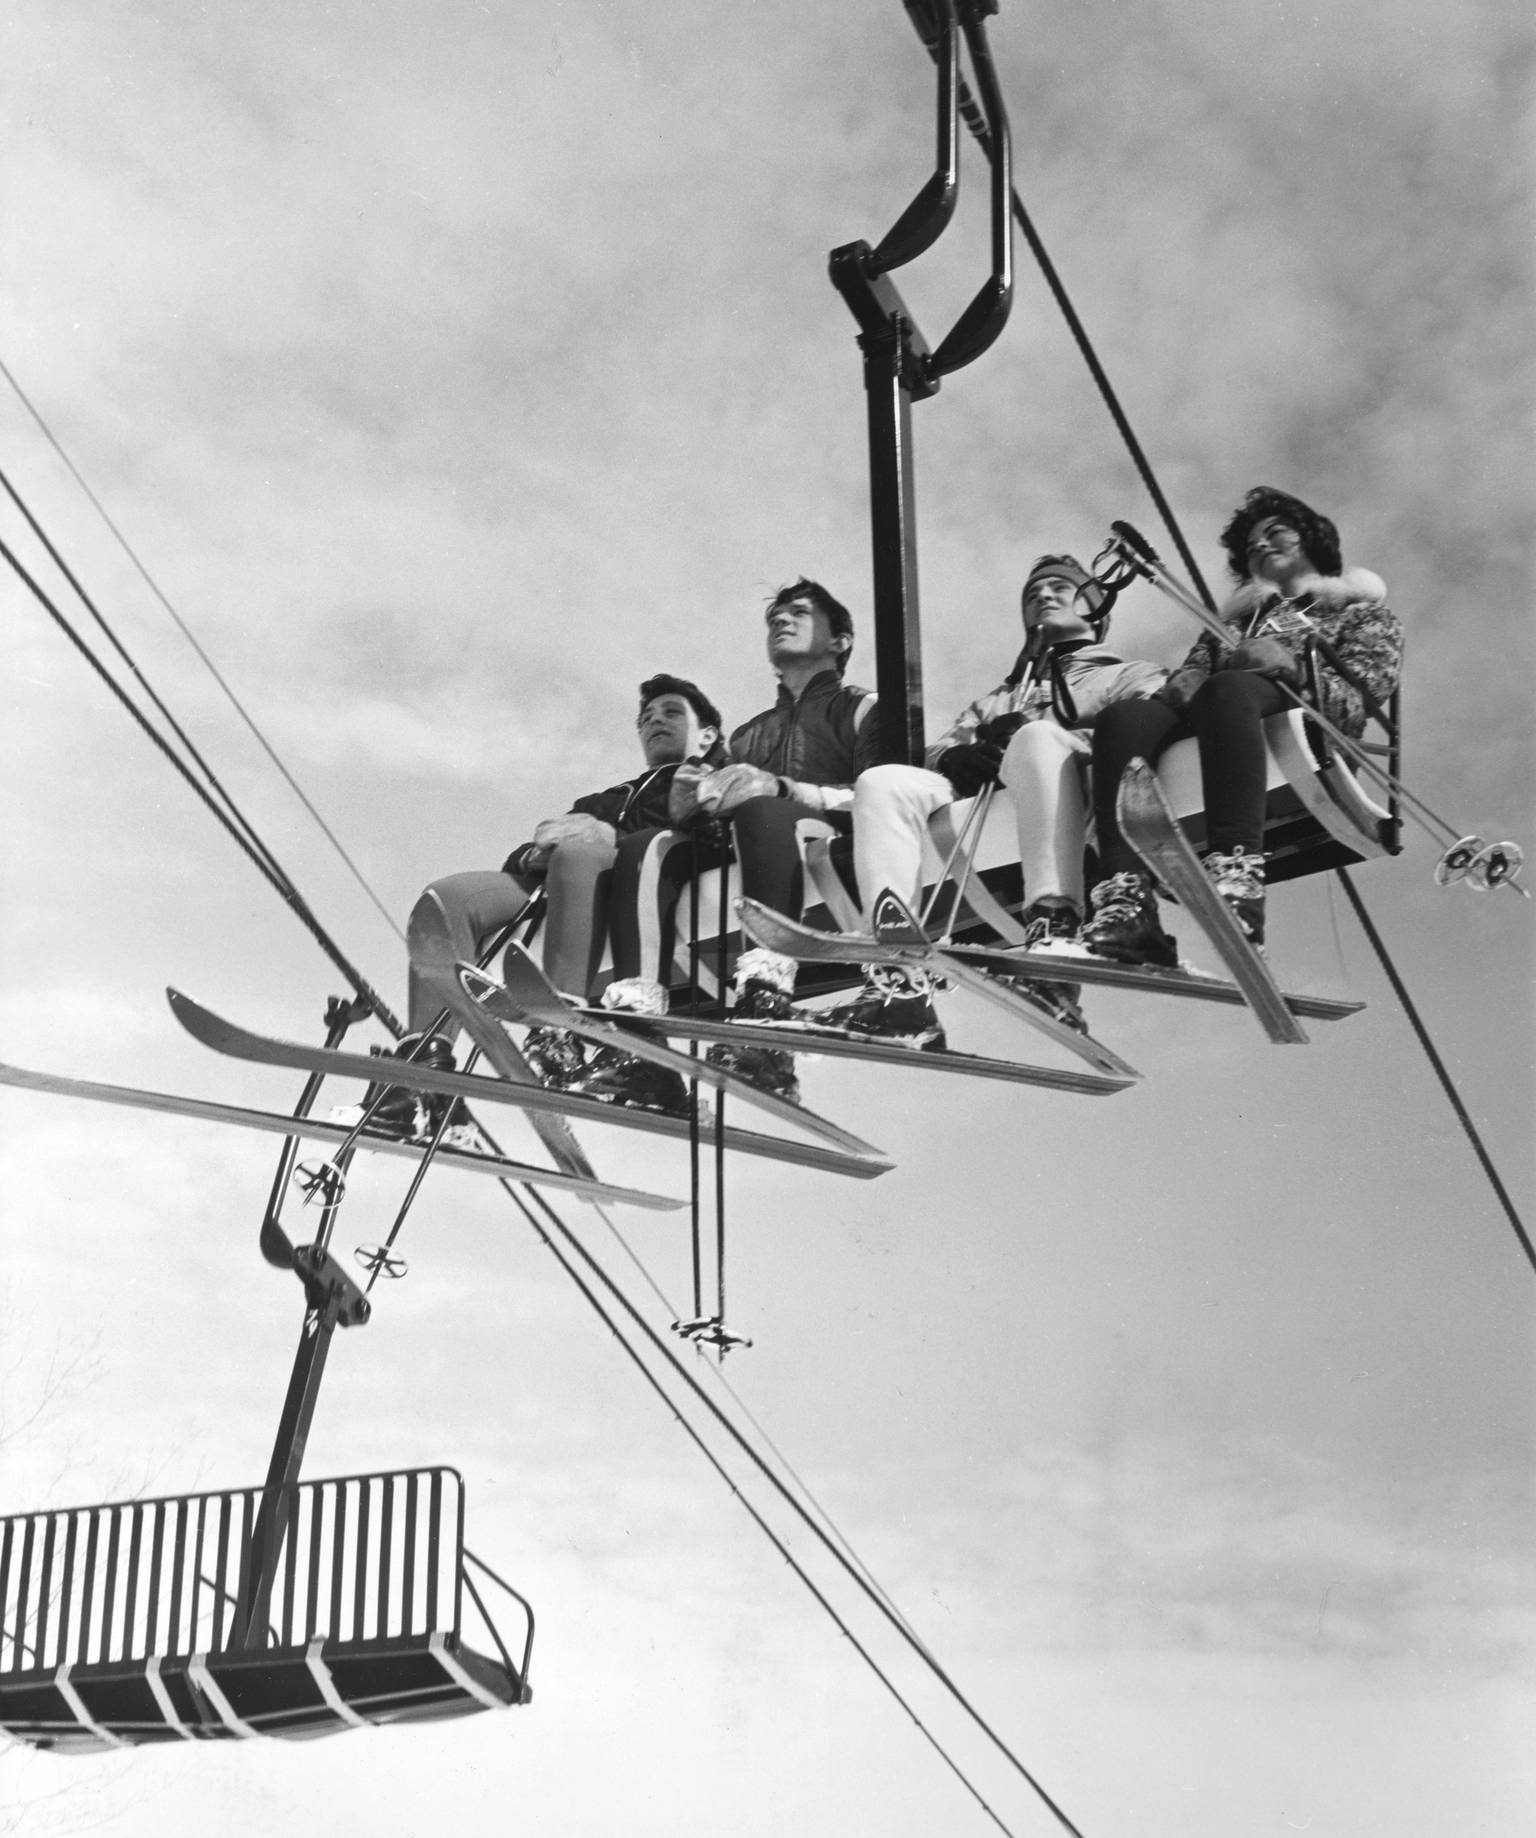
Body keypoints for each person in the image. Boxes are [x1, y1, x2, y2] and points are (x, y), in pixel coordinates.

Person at [819, 554, 1167, 1045]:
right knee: (882, 783)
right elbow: (941, 746)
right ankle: (898, 976)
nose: (1042, 597)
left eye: (1059, 589)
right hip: (988, 793)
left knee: (1037, 740)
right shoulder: (1000, 696)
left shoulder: (1126, 672)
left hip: (1068, 781)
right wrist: (955, 759)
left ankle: (1054, 935)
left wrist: (1048, 728)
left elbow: (1144, 727)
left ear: (1095, 609)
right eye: (1031, 594)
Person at [367, 675, 727, 1132]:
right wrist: (535, 853)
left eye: (672, 712)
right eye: (646, 718)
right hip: (560, 890)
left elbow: (704, 842)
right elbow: (523, 858)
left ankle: (560, 1029)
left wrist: (606, 837)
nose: (655, 721)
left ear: (708, 734)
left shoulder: (708, 783)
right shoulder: (607, 798)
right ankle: (426, 1071)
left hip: (643, 890)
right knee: (444, 900)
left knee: (580, 852)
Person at [582, 578, 878, 1106]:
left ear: (841, 640)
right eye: (774, 617)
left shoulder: (861, 707)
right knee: (651, 846)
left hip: (830, 838)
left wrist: (783, 789)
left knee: (764, 809)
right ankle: (641, 1043)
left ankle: (767, 1001)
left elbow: (881, 793)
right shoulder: (747, 736)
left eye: (800, 613)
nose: (781, 621)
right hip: (756, 853)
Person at [1081, 486, 1401, 960]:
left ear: (1310, 539)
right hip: (1220, 723)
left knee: (1227, 688)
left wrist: (1292, 667)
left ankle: (1238, 872)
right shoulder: (1231, 630)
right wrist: (1182, 684)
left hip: (1308, 731)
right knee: (1125, 718)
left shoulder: (1360, 612)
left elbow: (1364, 692)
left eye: (1275, 533)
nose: (1261, 546)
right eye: (1251, 545)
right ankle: (1126, 897)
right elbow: (1194, 674)